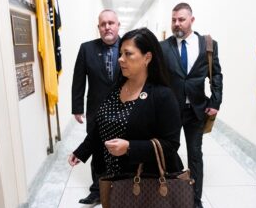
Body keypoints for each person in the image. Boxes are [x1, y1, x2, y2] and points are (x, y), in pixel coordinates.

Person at [69, 27, 183, 188]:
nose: (120, 59)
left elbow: (171, 145)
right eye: (121, 53)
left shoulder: (162, 96)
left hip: (145, 181)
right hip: (113, 177)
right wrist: (82, 151)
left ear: (147, 57)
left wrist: (130, 148)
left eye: (128, 54)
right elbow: (101, 125)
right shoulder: (118, 87)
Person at [160, 2, 223, 208]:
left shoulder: (208, 45)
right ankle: (173, 191)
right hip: (170, 111)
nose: (176, 24)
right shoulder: (163, 47)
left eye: (181, 19)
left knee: (195, 154)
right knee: (168, 152)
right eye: (174, 20)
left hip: (196, 109)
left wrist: (215, 102)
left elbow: (216, 74)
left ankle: (195, 199)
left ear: (192, 20)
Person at [71, 9, 120, 204]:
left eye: (111, 23)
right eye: (103, 24)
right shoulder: (87, 49)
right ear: (98, 27)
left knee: (121, 148)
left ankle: (120, 186)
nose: (107, 27)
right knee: (97, 149)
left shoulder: (129, 46)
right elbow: (78, 79)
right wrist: (77, 107)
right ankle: (97, 190)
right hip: (96, 109)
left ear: (118, 25)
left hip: (123, 108)